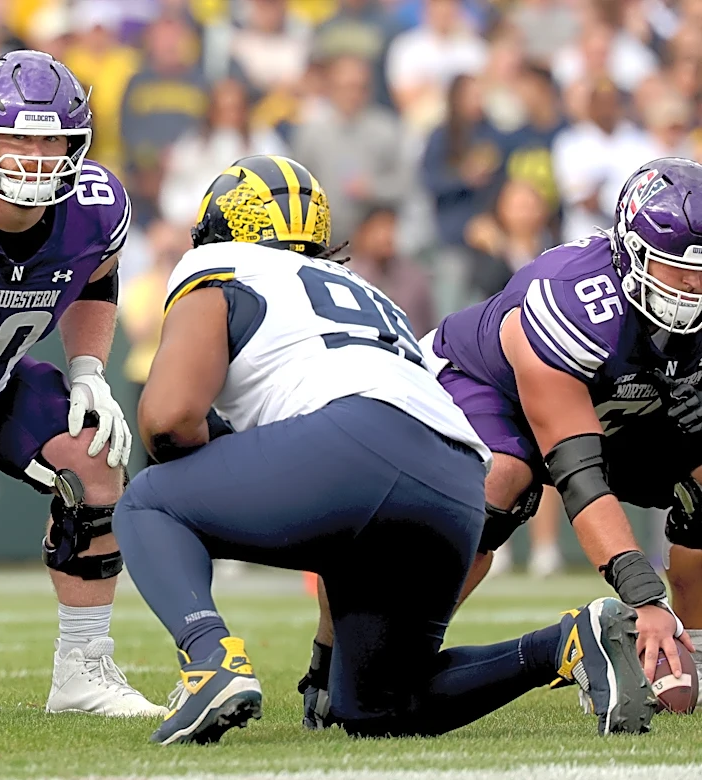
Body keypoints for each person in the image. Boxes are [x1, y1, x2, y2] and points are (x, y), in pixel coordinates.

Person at [112, 154, 653, 745]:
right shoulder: (365, 288)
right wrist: (323, 656)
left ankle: (208, 660)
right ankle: (570, 644)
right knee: (377, 705)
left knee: (146, 502)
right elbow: (345, 493)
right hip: (456, 482)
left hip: (349, 445)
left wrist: (209, 471)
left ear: (218, 228)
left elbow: (168, 420)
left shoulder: (218, 266)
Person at [300, 157, 702, 726]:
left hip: (615, 402)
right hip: (485, 388)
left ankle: (694, 653)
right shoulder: (572, 302)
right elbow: (579, 475)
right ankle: (338, 660)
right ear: (632, 255)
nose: (694, 285)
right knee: (499, 482)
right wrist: (643, 596)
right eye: (676, 268)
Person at [0, 49, 165, 717]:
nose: (34, 154)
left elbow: (97, 277)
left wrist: (88, 369)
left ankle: (82, 673)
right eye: (19, 137)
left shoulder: (97, 207)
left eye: (51, 138)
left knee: (95, 456)